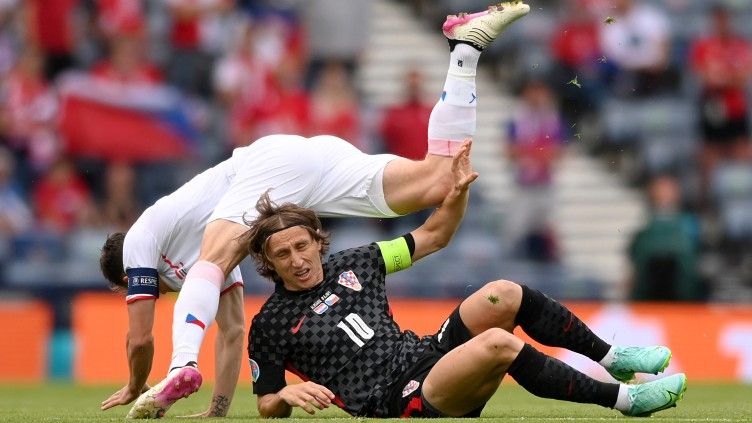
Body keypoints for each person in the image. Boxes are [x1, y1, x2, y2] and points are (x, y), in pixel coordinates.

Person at [126, 2, 531, 418]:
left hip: (269, 168)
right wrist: (218, 409)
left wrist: (136, 384)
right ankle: (466, 50)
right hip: (312, 164)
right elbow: (231, 332)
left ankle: (182, 363)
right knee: (440, 181)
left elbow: (139, 338)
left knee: (208, 264)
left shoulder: (142, 241)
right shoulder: (211, 243)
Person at [245, 140, 686, 418]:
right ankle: (625, 401)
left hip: (425, 354)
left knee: (503, 294)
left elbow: (434, 235)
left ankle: (612, 357)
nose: (296, 259)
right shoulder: (270, 323)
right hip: (395, 401)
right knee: (497, 344)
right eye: (281, 254)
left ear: (317, 242)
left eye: (301, 246)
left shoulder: (360, 260)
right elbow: (266, 402)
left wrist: (457, 194)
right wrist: (286, 397)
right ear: (268, 263)